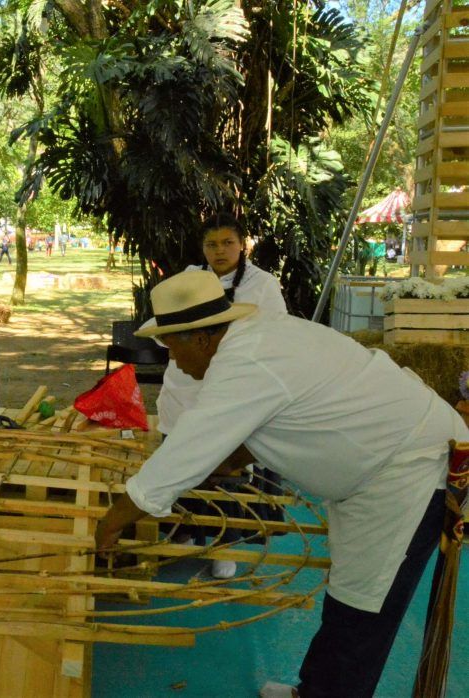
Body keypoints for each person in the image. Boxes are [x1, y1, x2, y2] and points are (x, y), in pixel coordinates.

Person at [95, 270, 468, 698]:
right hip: (383, 469)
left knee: (363, 611)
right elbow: (281, 415)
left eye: (172, 346)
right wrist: (227, 459)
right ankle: (314, 691)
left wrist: (114, 519)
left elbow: (189, 449)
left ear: (200, 338)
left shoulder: (244, 360)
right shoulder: (255, 339)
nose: (172, 359)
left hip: (410, 472)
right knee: (348, 599)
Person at [154, 216, 288, 578]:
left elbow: (277, 335)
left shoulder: (262, 285)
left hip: (234, 390)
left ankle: (223, 544)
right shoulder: (187, 279)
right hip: (184, 388)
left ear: (242, 245)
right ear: (203, 248)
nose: (219, 251)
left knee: (226, 470)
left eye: (227, 243)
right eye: (212, 244)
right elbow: (162, 327)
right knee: (180, 462)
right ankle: (183, 532)